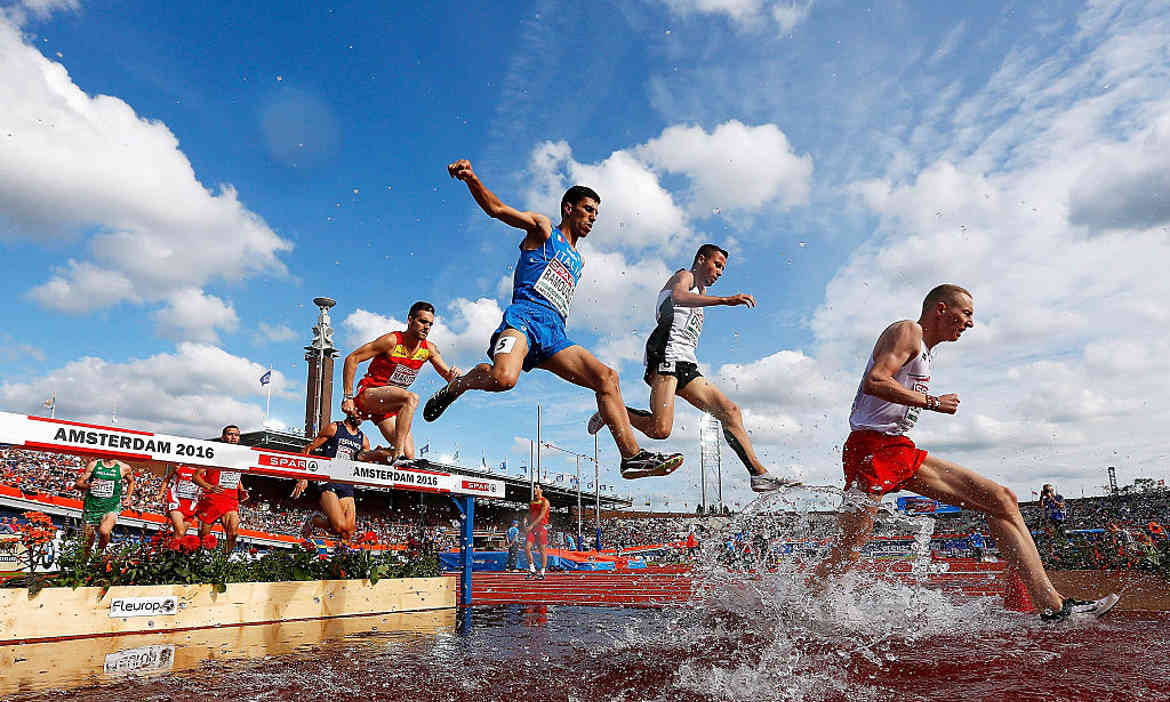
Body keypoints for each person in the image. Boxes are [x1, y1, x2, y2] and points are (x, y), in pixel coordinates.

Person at [810, 284, 1118, 622]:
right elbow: (876, 380)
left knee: (1002, 500)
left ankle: (1054, 605)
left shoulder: (924, 349)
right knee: (849, 549)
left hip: (889, 447)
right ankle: (802, 606)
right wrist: (933, 402)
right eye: (966, 313)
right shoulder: (908, 331)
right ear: (940, 309)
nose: (970, 323)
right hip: (874, 447)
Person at [425, 159, 683, 479]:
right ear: (568, 208)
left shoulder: (579, 259)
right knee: (504, 379)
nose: (593, 217)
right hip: (523, 320)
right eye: (588, 210)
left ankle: (631, 456)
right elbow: (496, 209)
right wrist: (471, 178)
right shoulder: (543, 229)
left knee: (607, 378)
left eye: (596, 214)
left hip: (555, 334)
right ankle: (460, 384)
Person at [585, 244, 797, 491]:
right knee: (660, 430)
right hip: (666, 355)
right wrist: (724, 300)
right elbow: (677, 296)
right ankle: (610, 412)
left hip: (686, 361)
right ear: (701, 259)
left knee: (729, 410)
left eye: (723, 269)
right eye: (717, 265)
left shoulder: (701, 294)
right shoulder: (684, 276)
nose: (719, 272)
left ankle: (758, 475)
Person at [341, 301, 461, 465]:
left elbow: (449, 377)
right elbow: (352, 359)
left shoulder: (429, 349)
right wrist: (348, 397)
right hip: (369, 394)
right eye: (422, 322)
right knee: (411, 398)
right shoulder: (391, 341)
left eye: (430, 324)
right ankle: (397, 456)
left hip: (390, 405)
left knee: (409, 455)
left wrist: (454, 375)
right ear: (410, 320)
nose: (426, 327)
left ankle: (364, 456)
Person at [291, 406, 370, 542]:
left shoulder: (363, 439)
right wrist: (303, 477)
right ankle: (314, 520)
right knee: (339, 527)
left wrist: (379, 455)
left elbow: (366, 461)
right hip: (328, 480)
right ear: (349, 411)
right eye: (358, 411)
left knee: (348, 532)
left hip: (347, 483)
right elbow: (307, 448)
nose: (361, 415)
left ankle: (316, 522)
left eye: (364, 413)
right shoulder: (335, 428)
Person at [193, 425, 249, 553]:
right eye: (230, 434)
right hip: (211, 501)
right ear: (223, 437)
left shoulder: (241, 457)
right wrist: (209, 486)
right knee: (203, 539)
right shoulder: (213, 453)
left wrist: (242, 489)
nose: (233, 437)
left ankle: (224, 561)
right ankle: (198, 561)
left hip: (230, 501)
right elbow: (195, 476)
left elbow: (235, 475)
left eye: (236, 435)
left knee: (233, 534)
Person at [75, 457, 136, 557]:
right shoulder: (94, 465)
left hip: (112, 506)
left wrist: (128, 498)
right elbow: (78, 484)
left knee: (104, 531)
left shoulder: (123, 467)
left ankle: (98, 556)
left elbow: (131, 482)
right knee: (87, 542)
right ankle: (83, 565)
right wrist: (88, 486)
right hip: (92, 506)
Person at [156, 463, 201, 537]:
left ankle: (169, 546)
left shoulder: (202, 469)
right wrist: (160, 494)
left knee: (179, 536)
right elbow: (167, 478)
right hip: (176, 501)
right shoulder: (179, 465)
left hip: (191, 505)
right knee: (180, 532)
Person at [524, 484, 550, 579]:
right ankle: (532, 569)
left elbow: (541, 516)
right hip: (532, 527)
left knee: (542, 550)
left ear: (541, 490)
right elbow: (530, 513)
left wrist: (531, 525)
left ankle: (542, 572)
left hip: (541, 527)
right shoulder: (532, 502)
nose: (534, 489)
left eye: (536, 487)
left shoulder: (545, 502)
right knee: (526, 547)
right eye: (534, 487)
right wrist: (526, 519)